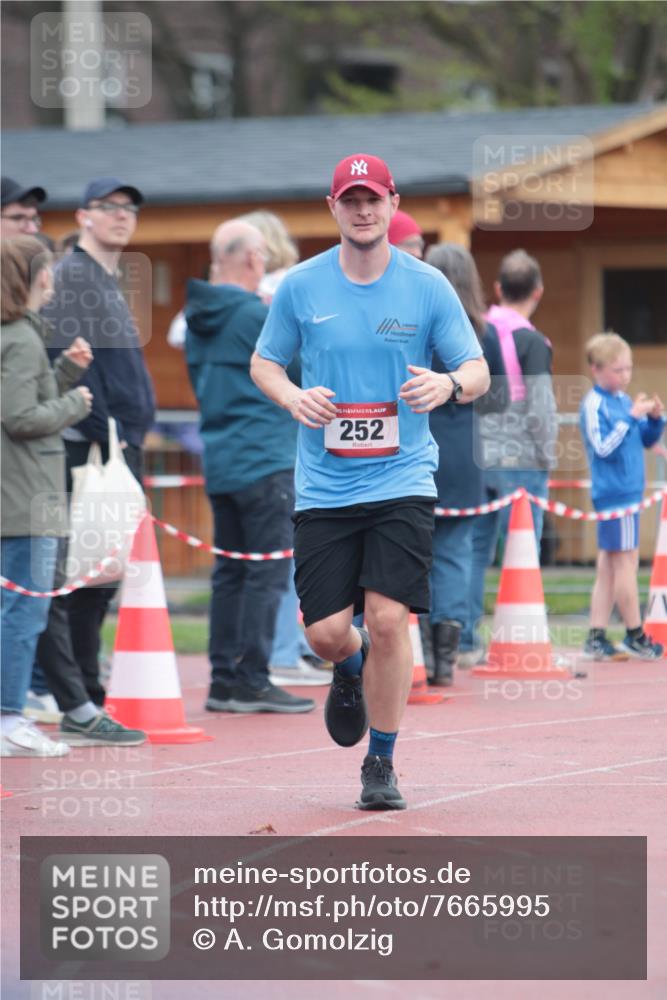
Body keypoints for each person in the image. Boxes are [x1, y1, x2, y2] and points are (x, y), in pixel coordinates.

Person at [251, 153, 489, 810]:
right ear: (333, 208)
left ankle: (379, 763)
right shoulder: (301, 286)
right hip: (325, 487)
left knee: (389, 621)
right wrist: (292, 396)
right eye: (349, 200)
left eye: (372, 199)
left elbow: (476, 369)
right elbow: (263, 363)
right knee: (327, 633)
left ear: (391, 204)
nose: (362, 210)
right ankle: (347, 671)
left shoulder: (425, 286)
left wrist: (445, 383)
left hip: (402, 479)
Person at [185, 218, 315, 715]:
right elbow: (299, 369)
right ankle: (253, 677)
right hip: (264, 455)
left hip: (222, 456)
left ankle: (225, 679)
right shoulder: (252, 315)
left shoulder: (201, 314)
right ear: (255, 260)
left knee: (231, 573)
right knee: (265, 571)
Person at [39, 177, 155, 730]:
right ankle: (74, 702)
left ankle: (86, 686)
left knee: (99, 576)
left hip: (111, 449)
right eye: (109, 207)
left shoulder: (106, 281)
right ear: (84, 215)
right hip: (86, 454)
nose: (122, 215)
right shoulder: (72, 280)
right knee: (70, 578)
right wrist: (108, 433)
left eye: (129, 208)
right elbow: (70, 369)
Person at [1, 237, 91, 756]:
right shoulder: (19, 338)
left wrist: (66, 375)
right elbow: (19, 418)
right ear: (29, 278)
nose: (54, 280)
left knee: (17, 610)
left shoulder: (20, 336)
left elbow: (25, 402)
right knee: (24, 612)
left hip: (24, 497)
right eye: (47, 271)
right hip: (28, 500)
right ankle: (10, 717)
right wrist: (75, 403)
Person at [238, 209, 330, 687]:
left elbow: (179, 330)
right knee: (277, 560)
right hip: (284, 436)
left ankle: (270, 654)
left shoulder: (259, 293)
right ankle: (283, 651)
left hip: (262, 436)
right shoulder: (289, 287)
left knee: (257, 565)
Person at [459, 248, 558, 667]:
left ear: (498, 289)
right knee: (521, 551)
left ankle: (462, 641)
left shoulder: (476, 330)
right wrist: (549, 453)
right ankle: (520, 638)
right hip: (521, 459)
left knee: (472, 550)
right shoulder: (533, 342)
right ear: (538, 291)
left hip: (478, 455)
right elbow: (540, 409)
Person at [422, 243, 508, 684]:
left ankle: (419, 652)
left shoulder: (415, 324)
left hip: (418, 449)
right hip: (463, 454)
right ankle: (446, 660)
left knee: (415, 553)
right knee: (455, 553)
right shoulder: (484, 332)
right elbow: (498, 397)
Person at [580, 332, 665, 661]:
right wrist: (631, 417)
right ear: (597, 369)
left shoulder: (623, 400)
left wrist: (654, 419)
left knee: (609, 567)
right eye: (618, 370)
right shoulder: (595, 403)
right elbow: (603, 447)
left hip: (628, 491)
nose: (625, 376)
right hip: (615, 494)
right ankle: (635, 633)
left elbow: (643, 438)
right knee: (625, 564)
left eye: (628, 369)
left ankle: (596, 635)